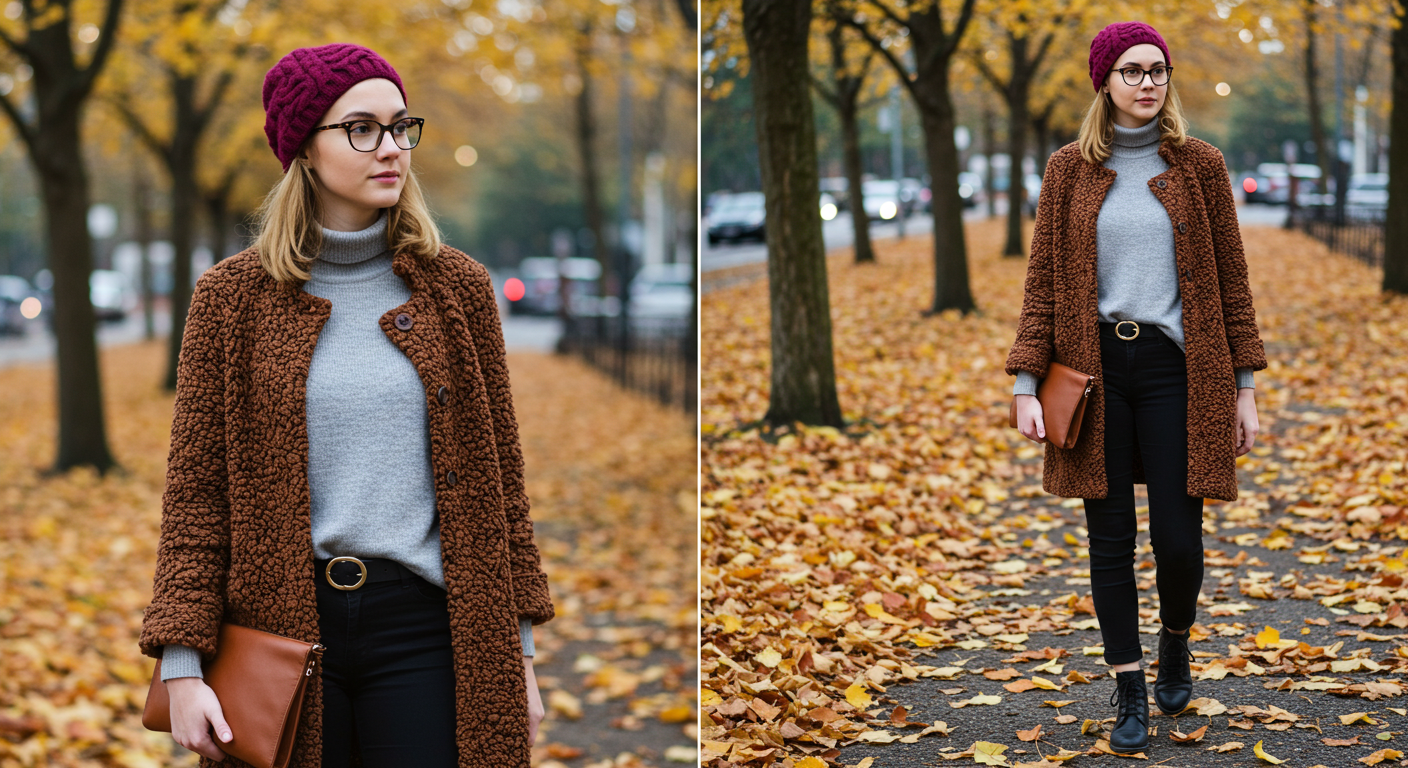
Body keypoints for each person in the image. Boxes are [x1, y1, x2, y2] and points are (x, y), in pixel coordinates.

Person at [138, 43, 555, 768]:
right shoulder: (229, 301)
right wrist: (181, 665)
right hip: (279, 630)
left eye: (400, 126)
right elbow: (196, 497)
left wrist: (515, 655)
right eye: (361, 128)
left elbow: (501, 488)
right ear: (303, 148)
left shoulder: (458, 290)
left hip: (431, 632)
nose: (391, 148)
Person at [1004, 21, 1268, 756]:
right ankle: (1128, 688)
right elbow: (1044, 287)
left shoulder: (1200, 166)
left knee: (1179, 541)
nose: (1148, 82)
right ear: (1105, 82)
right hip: (1093, 374)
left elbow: (1233, 283)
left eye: (1157, 70)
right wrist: (1027, 383)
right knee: (1109, 537)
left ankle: (1175, 642)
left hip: (1177, 371)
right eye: (1131, 71)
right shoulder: (1068, 171)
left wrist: (1245, 387)